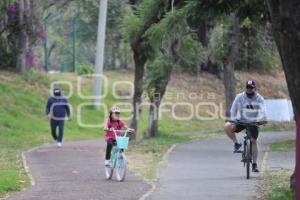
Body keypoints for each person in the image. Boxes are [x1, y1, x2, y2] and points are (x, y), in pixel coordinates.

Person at [224, 80, 267, 172]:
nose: (249, 89)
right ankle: (236, 143)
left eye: (251, 88)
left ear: (255, 88)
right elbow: (233, 109)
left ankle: (254, 164)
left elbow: (263, 110)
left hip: (253, 122)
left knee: (254, 141)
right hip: (241, 121)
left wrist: (263, 119)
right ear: (245, 87)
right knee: (227, 126)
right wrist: (233, 119)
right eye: (248, 87)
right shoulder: (240, 97)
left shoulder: (259, 98)